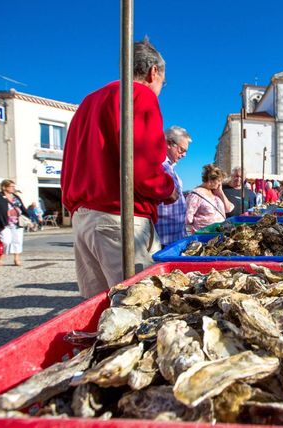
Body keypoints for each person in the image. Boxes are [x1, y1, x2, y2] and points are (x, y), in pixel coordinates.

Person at [61, 38, 178, 299]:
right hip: (120, 219)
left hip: (82, 220)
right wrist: (168, 189)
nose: (161, 88)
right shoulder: (139, 95)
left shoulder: (88, 102)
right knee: (141, 305)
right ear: (153, 72)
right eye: (163, 83)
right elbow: (144, 167)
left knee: (98, 310)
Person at [155, 126, 192, 248]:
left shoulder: (170, 168)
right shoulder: (158, 165)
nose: (184, 155)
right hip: (163, 237)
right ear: (169, 143)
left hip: (175, 236)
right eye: (182, 150)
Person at [0, 179, 29, 266]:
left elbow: (23, 209)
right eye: (11, 186)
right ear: (4, 187)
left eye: (14, 186)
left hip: (17, 223)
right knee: (5, 241)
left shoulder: (16, 197)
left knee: (17, 241)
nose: (13, 188)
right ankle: (0, 258)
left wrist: (28, 220)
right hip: (2, 223)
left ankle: (16, 259)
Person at [185, 164, 234, 233]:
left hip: (220, 232)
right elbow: (188, 218)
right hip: (205, 234)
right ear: (211, 180)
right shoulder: (195, 194)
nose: (220, 183)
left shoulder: (215, 192)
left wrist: (221, 192)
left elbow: (228, 209)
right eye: (219, 180)